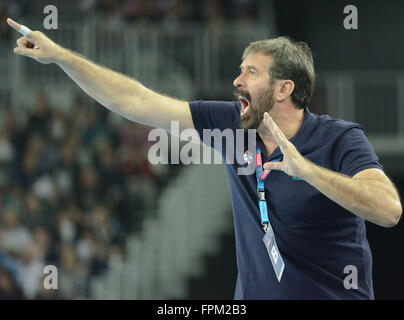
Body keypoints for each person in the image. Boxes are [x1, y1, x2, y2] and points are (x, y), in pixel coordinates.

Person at [7, 18, 402, 300]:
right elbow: (136, 100)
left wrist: (307, 171)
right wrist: (61, 57)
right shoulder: (231, 124)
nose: (237, 81)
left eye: (251, 72)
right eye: (239, 71)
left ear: (284, 88)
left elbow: (387, 210)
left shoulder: (339, 139)